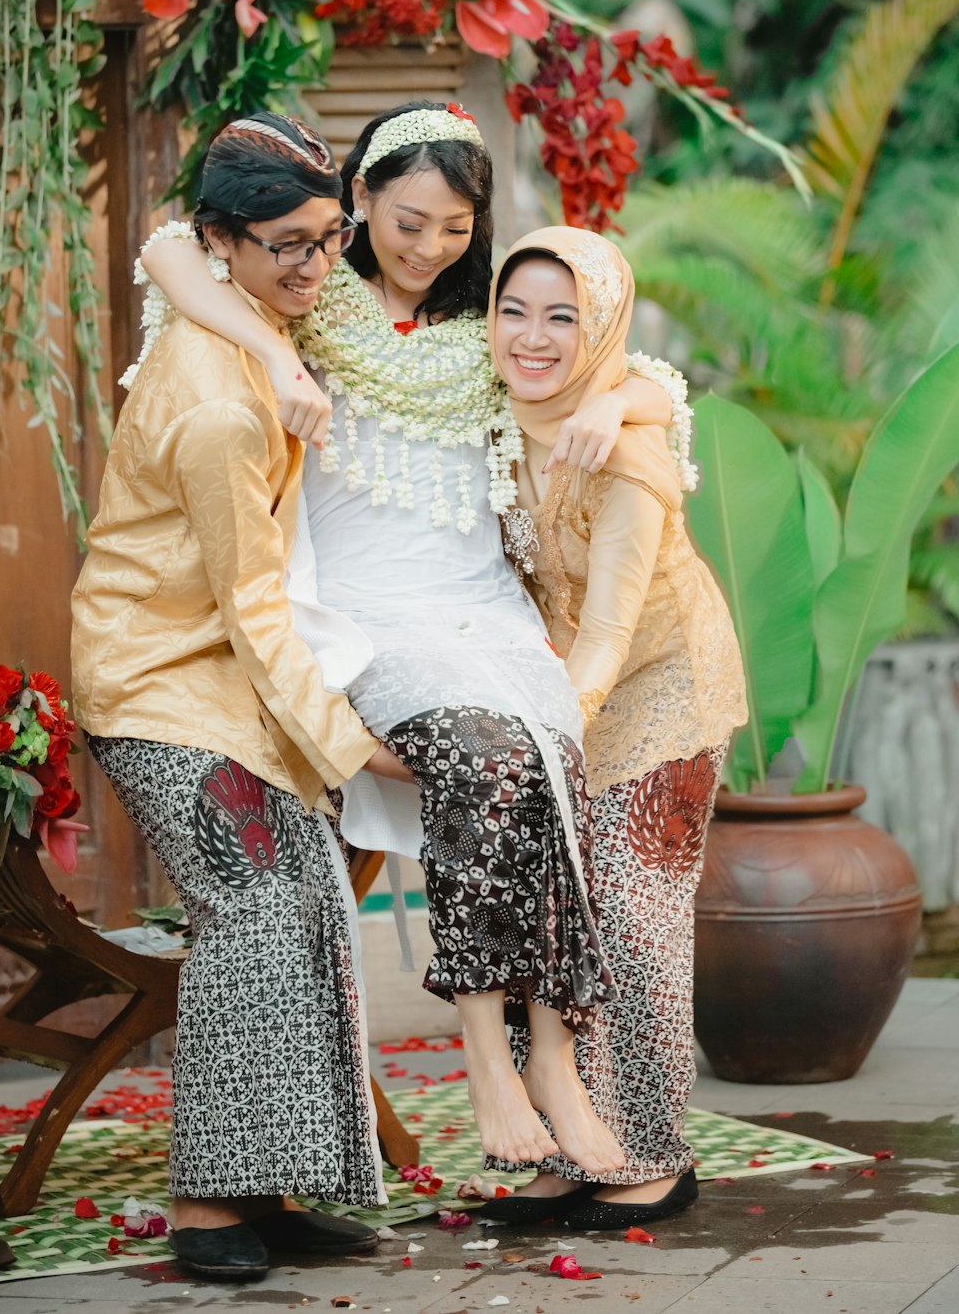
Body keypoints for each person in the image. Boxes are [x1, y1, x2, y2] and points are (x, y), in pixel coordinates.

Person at [136, 101, 677, 1178]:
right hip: (363, 617)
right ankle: (486, 1053)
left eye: (454, 226)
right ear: (361, 203)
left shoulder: (490, 329)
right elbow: (165, 251)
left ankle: (556, 1065)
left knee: (546, 766)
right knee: (482, 758)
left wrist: (616, 408)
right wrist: (277, 361)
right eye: (407, 219)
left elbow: (638, 374)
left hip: (484, 607)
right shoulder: (302, 302)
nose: (430, 245)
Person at [71, 114, 414, 1284]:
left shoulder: (251, 321)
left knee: (311, 902)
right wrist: (348, 743)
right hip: (160, 684)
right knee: (257, 908)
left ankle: (271, 1188)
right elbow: (252, 605)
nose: (317, 268)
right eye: (288, 247)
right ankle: (209, 1207)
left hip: (223, 680)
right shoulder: (221, 401)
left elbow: (173, 248)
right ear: (225, 242)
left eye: (330, 240)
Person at [483, 226, 747, 1229]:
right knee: (541, 912)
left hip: (662, 692)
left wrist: (547, 738)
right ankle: (560, 1143)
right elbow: (658, 381)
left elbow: (605, 639)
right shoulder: (496, 417)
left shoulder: (629, 459)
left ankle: (647, 1153)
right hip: (559, 691)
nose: (533, 336)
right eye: (514, 310)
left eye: (565, 317)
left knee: (631, 913)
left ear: (600, 330)